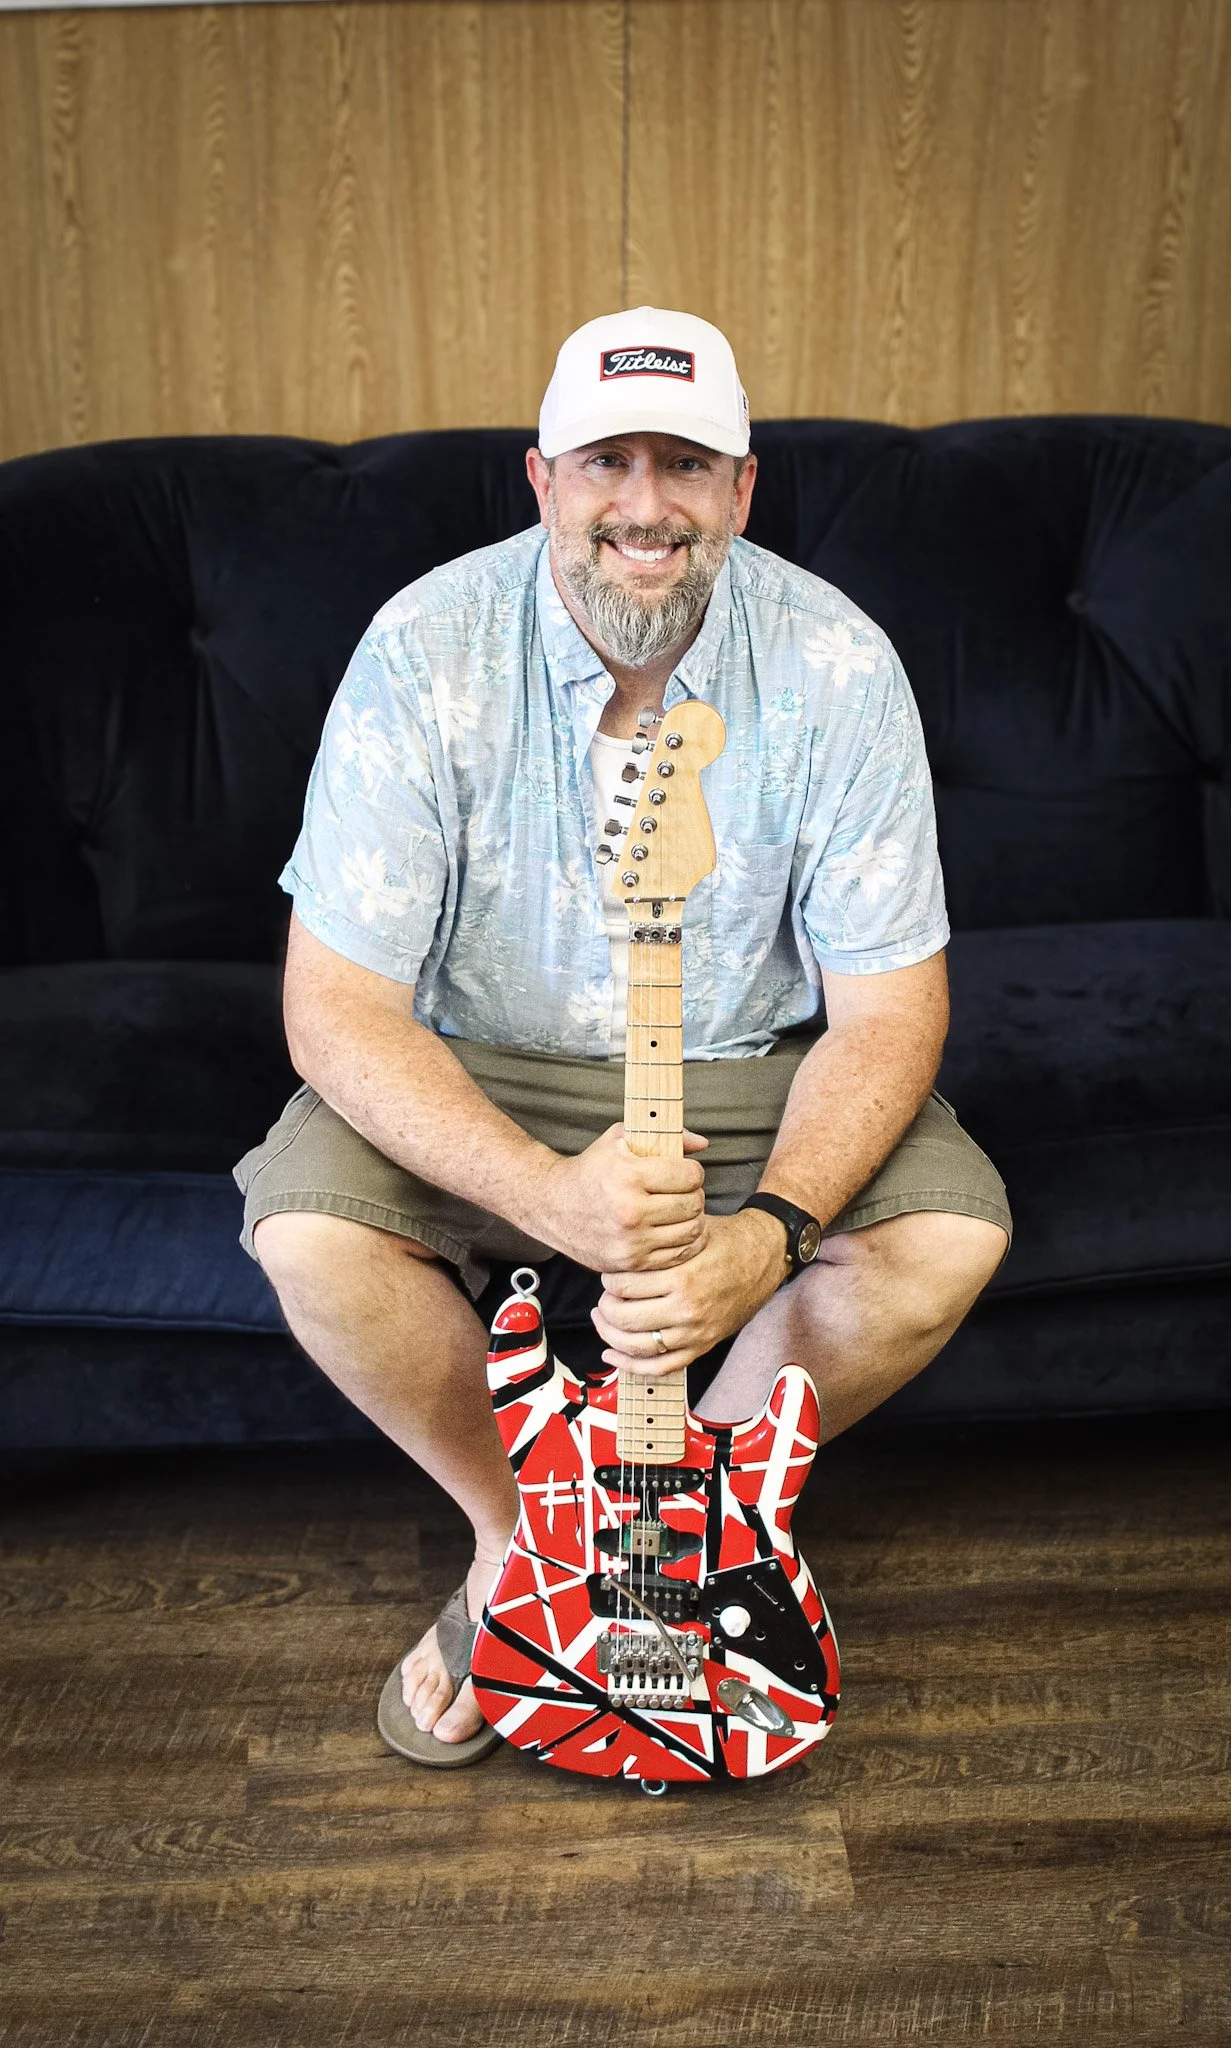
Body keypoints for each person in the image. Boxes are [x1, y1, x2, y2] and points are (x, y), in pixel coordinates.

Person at [235, 307, 1012, 1768]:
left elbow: (888, 1006)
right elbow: (333, 1008)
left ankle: (691, 1522)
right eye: (606, 462)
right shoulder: (425, 648)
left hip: (741, 1064)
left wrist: (763, 1234)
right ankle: (526, 1545)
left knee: (947, 1238)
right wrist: (543, 1192)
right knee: (307, 1233)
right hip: (486, 1065)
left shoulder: (836, 664)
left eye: (685, 464)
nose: (643, 505)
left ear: (740, 489)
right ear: (541, 480)